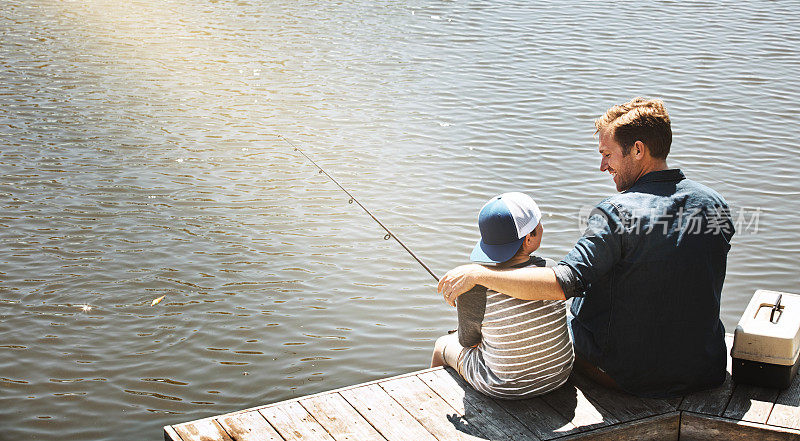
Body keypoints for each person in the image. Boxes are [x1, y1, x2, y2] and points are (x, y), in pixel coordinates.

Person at [437, 98, 734, 398]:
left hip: (627, 375)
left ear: (638, 150)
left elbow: (561, 283)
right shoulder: (714, 204)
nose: (603, 165)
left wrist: (479, 275)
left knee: (554, 321)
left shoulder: (617, 213)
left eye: (607, 154)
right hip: (704, 370)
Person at [431, 192, 574, 399]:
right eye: (539, 223)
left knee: (442, 345)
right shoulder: (550, 271)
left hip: (502, 387)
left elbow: (467, 341)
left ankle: (432, 402)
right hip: (559, 376)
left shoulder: (474, 287)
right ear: (529, 239)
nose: (542, 226)